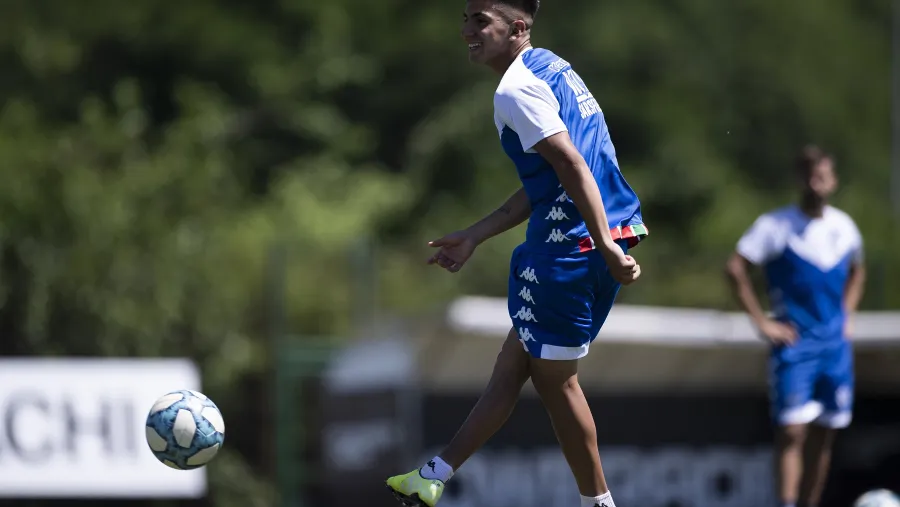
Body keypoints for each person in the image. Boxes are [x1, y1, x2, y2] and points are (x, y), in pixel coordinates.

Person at [385, 1, 648, 506]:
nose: (467, 30)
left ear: (517, 27)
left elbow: (572, 166)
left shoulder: (515, 90)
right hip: (602, 234)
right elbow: (550, 179)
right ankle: (432, 475)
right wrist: (476, 234)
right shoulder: (552, 67)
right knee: (515, 361)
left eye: (480, 20)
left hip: (569, 249)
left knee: (557, 384)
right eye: (465, 18)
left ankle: (599, 503)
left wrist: (604, 246)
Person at [725, 145, 866, 507]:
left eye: (823, 176)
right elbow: (736, 268)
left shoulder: (844, 227)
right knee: (792, 430)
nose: (816, 183)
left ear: (833, 181)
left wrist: (847, 314)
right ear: (800, 179)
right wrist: (762, 322)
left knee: (825, 433)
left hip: (834, 347)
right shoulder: (775, 226)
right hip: (795, 345)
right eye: (810, 175)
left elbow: (857, 271)